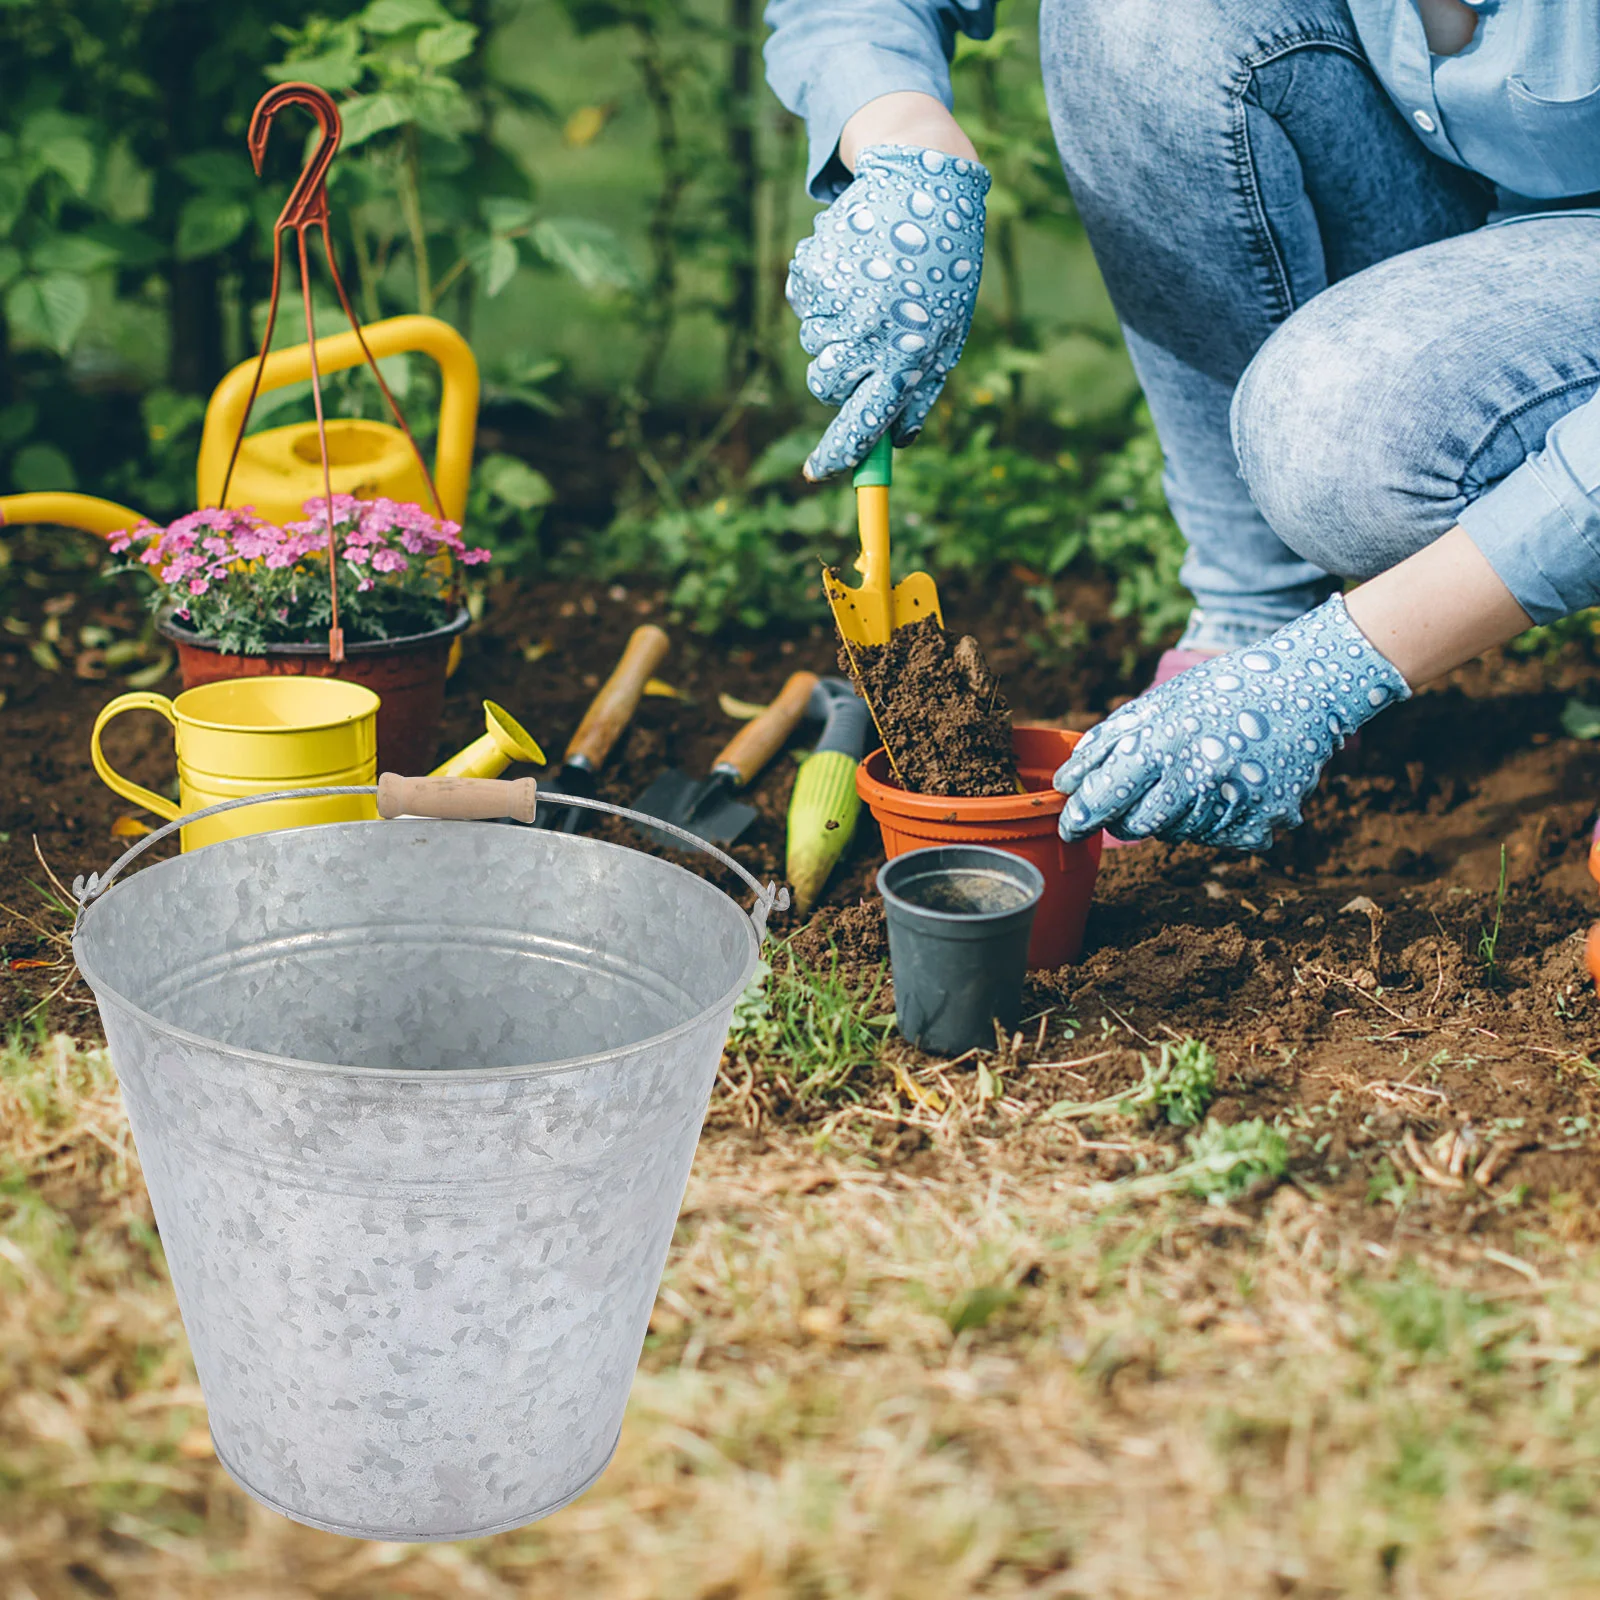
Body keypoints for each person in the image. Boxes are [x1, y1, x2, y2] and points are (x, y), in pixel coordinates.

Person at [764, 0, 1600, 850]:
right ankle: (1254, 614)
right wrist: (904, 141)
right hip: (1451, 183)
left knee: (1332, 437)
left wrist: (1340, 663)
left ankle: (1311, 657)